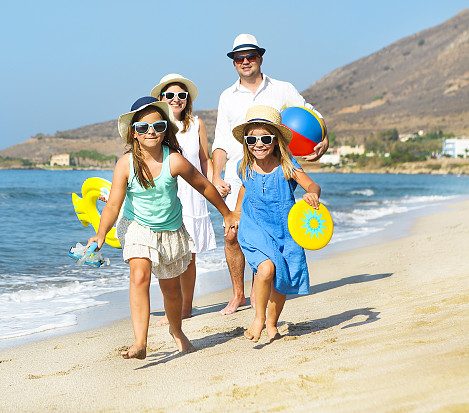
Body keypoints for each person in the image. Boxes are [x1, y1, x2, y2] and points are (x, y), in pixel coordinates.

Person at [85, 96, 237, 360]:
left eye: (157, 126)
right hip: (136, 226)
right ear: (134, 133)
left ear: (166, 128)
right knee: (139, 276)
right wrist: (100, 233)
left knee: (170, 290)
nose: (150, 132)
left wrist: (226, 213)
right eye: (143, 128)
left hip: (170, 230)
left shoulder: (174, 160)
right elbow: (112, 206)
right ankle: (140, 342)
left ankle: (177, 332)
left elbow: (203, 186)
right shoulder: (126, 164)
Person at [211, 33, 328, 315]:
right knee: (231, 235)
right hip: (240, 172)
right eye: (240, 58)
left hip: (276, 171)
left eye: (251, 56)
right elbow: (221, 141)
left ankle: (259, 287)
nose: (246, 61)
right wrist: (216, 176)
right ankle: (238, 293)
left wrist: (325, 139)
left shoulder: (283, 89)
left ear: (260, 58)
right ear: (234, 63)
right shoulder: (227, 97)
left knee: (269, 230)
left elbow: (312, 115)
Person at [231, 105, 321, 343]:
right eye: (252, 139)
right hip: (255, 227)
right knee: (266, 269)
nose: (258, 144)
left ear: (276, 140)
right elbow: (244, 188)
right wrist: (236, 214)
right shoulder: (243, 165)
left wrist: (312, 194)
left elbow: (312, 185)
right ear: (246, 142)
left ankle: (272, 323)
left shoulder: (287, 165)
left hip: (286, 230)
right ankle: (259, 319)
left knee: (281, 278)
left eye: (265, 139)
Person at [148, 74, 214, 326]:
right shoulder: (157, 126)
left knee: (190, 255)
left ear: (188, 100)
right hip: (167, 195)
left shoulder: (196, 124)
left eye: (181, 95)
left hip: (194, 195)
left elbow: (204, 158)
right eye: (170, 95)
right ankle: (171, 307)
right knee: (168, 254)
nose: (176, 99)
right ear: (161, 99)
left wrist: (212, 184)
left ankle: (186, 307)